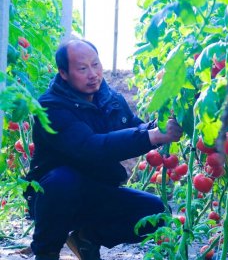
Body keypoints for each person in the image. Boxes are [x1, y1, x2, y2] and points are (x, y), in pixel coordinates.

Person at [23, 39, 183, 260]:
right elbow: (90, 147)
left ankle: (87, 238)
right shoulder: (50, 107)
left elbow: (134, 128)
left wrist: (162, 125)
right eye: (82, 68)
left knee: (155, 212)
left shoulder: (110, 99)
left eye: (96, 64)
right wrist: (152, 135)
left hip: (98, 191)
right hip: (55, 197)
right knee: (63, 181)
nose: (93, 74)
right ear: (64, 73)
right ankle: (47, 251)